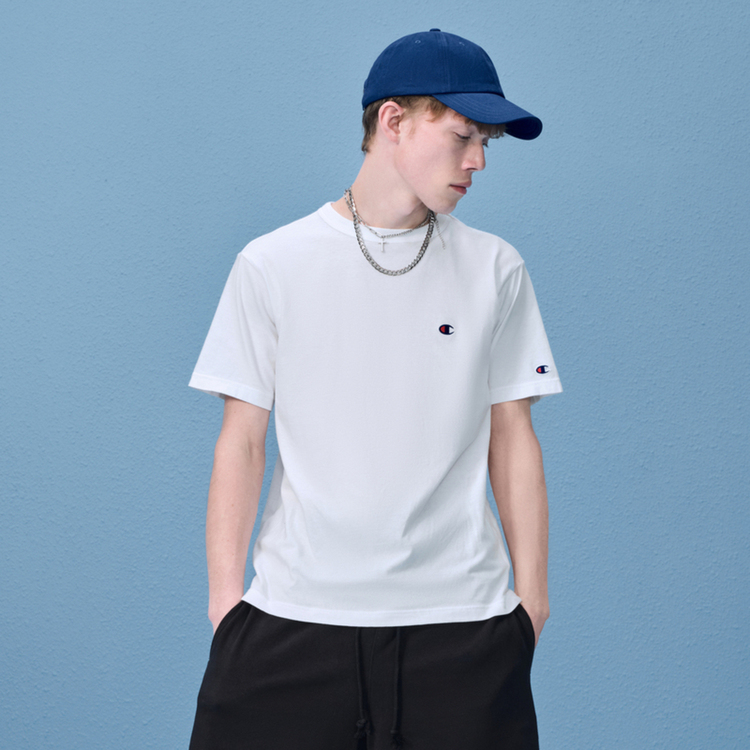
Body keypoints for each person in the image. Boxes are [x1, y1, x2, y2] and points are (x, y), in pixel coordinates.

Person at [187, 28, 562, 750]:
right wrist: (226, 605)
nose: (479, 161)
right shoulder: (273, 264)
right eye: (463, 137)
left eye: (486, 143)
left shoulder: (496, 268)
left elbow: (514, 435)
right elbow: (242, 439)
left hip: (464, 628)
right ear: (394, 120)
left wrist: (533, 603)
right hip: (293, 622)